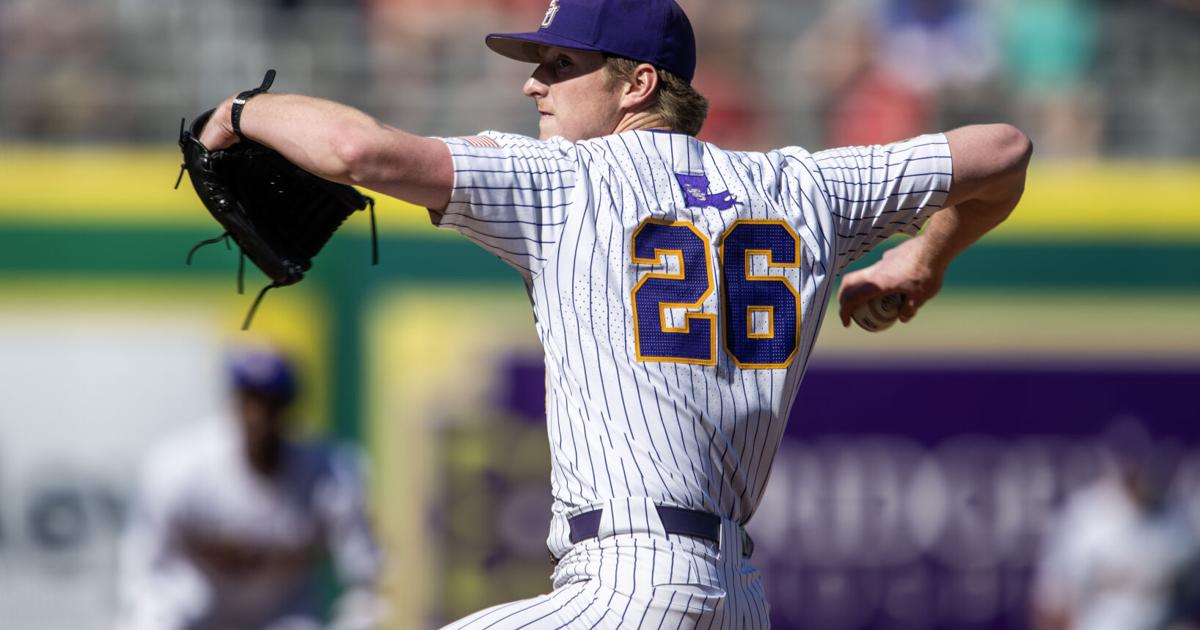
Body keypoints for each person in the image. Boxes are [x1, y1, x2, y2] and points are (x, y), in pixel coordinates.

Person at [196, 0, 1032, 625]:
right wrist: (927, 257)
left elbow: (356, 151)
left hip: (631, 583)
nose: (533, 82)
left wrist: (235, 113)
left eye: (560, 64)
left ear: (637, 83)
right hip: (736, 598)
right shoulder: (804, 185)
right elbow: (1003, 151)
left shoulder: (565, 180)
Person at [115, 347, 386, 630]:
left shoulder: (331, 475)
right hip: (197, 607)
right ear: (233, 401)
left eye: (270, 402)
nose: (258, 415)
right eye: (249, 400)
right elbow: (142, 567)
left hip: (284, 613)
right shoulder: (181, 467)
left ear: (289, 406)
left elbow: (367, 577)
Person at [1032, 421, 1200, 630]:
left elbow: (1190, 601)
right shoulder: (1085, 518)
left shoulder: (1180, 522)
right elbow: (1051, 605)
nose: (1135, 470)